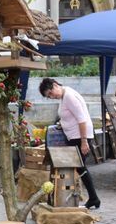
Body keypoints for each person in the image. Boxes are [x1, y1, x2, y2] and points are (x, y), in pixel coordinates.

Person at [39, 78, 101, 208]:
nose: (52, 96)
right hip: (74, 135)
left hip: (80, 136)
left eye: (50, 93)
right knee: (79, 167)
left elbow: (82, 119)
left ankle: (93, 197)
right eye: (49, 97)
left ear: (55, 85)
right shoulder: (64, 96)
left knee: (80, 166)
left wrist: (84, 141)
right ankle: (90, 197)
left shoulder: (69, 96)